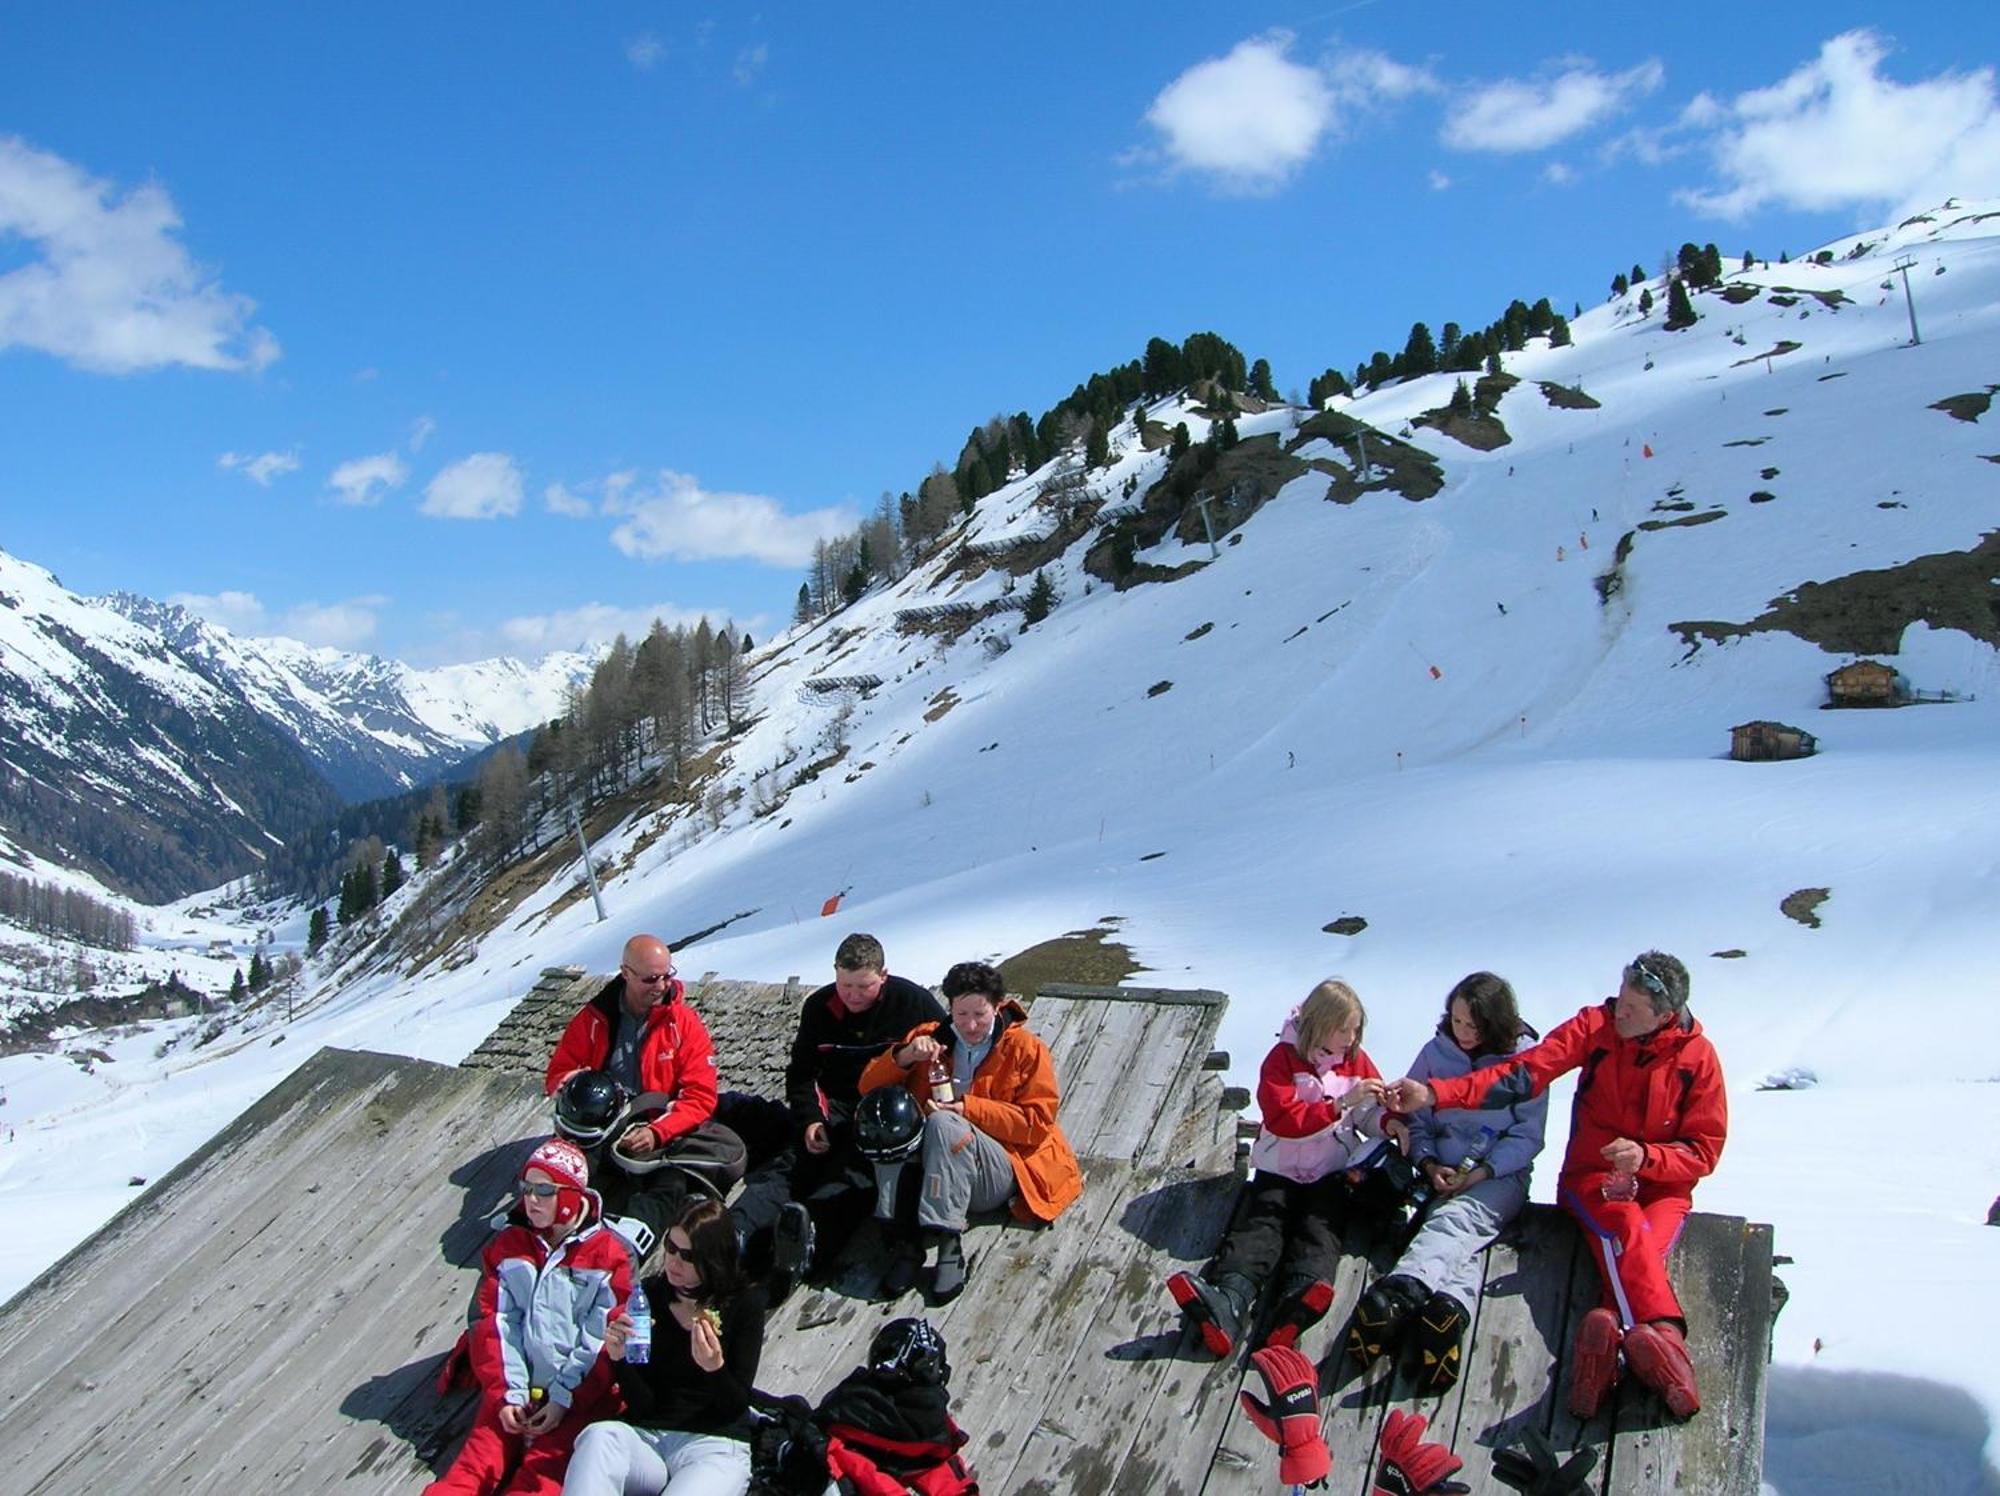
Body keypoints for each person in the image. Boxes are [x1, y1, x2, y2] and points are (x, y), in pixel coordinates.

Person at [1386, 952, 1725, 1419]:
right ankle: (1670, 1346)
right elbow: (1522, 1075)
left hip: (1663, 1188)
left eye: (1630, 1010)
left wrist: (1648, 1157)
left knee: (1642, 1249)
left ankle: (1609, 1350)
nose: (1618, 1012)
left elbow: (1704, 1151)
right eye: (1619, 1000)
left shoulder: (1698, 1059)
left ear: (1664, 1017)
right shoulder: (1597, 1027)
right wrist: (1439, 1093)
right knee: (1627, 1230)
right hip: (1596, 1179)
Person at [1345, 972, 1547, 1392]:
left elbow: (1528, 1137)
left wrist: (1482, 1172)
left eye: (1475, 1025)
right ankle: (1447, 1312)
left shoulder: (1526, 1063)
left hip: (1497, 1174)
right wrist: (1428, 1160)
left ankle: (1402, 1293)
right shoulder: (1435, 1052)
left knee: (1455, 1221)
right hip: (1440, 1169)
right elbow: (1414, 1119)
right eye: (1457, 1021)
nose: (1465, 1033)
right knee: (1460, 1242)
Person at [1167, 978, 1390, 1358]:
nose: (1352, 1039)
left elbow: (1369, 1115)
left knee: (1321, 1231)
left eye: (1356, 1030)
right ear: (1320, 1024)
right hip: (1278, 1168)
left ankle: (1297, 1304)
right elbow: (1285, 1119)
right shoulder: (1281, 1060)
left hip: (1329, 1172)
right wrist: (1338, 1106)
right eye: (1345, 1029)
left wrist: (1389, 1121)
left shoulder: (1357, 1061)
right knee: (1260, 1228)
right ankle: (1229, 1301)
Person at [857, 960, 1081, 1301]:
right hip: (938, 1165)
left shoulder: (1025, 1050)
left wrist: (968, 1109)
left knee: (943, 1122)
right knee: (888, 1116)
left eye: (980, 1014)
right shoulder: (929, 1038)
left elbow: (1036, 1124)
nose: (971, 1025)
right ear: (949, 1008)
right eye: (961, 1015)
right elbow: (867, 1088)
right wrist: (903, 1057)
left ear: (997, 1006)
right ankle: (905, 1243)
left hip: (1000, 1167)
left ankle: (948, 1243)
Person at [728, 933, 946, 1283]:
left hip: (886, 1116)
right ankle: (735, 1231)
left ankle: (808, 1236)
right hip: (836, 1107)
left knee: (853, 1177)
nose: (854, 996)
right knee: (794, 1162)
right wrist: (810, 1119)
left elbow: (945, 1048)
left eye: (864, 986)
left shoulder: (913, 1002)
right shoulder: (819, 1007)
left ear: (884, 976)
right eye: (845, 985)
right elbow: (802, 1073)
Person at [427, 1139, 631, 1496]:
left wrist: (564, 1397)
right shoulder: (509, 1247)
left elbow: (599, 1339)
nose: (531, 1199)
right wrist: (509, 1393)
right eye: (526, 1188)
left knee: (542, 1479)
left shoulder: (608, 1256)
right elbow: (495, 1322)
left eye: (544, 1190)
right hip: (515, 1389)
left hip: (575, 1399)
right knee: (473, 1468)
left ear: (570, 1196)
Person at [562, 1198, 768, 1496]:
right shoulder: (649, 1296)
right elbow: (644, 1404)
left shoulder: (745, 1305)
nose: (673, 1261)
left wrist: (715, 1369)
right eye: (670, 1247)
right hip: (650, 1439)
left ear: (712, 1258)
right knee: (598, 1437)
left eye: (687, 1255)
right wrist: (621, 1360)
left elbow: (735, 1406)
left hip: (713, 1445)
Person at [546, 935, 729, 1255]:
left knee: (671, 1183)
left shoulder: (684, 1024)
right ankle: (544, 1233)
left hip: (660, 1134)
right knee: (566, 1168)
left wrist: (657, 1132)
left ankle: (624, 1249)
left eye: (667, 975)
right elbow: (558, 1074)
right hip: (597, 1131)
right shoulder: (594, 1019)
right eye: (650, 978)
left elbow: (700, 1095)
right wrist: (571, 1085)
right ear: (625, 973)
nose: (661, 986)